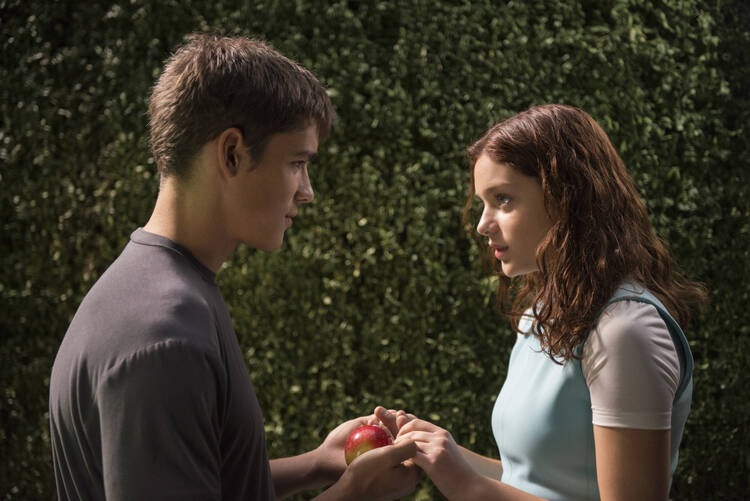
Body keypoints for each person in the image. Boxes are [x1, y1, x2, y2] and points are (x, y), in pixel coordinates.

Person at [48, 33, 419, 501]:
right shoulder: (163, 336)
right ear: (232, 153)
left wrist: (317, 465)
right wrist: (352, 495)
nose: (307, 191)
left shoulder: (156, 290)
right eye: (297, 162)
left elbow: (203, 475)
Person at [374, 104, 707, 500]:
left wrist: (469, 488)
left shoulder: (626, 331)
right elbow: (536, 479)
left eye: (504, 200)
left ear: (566, 199)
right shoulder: (544, 313)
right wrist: (439, 452)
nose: (482, 223)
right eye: (483, 202)